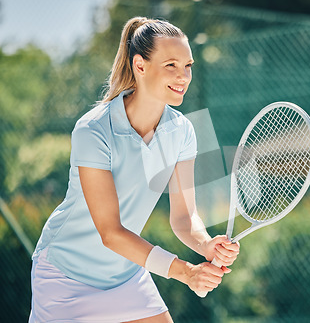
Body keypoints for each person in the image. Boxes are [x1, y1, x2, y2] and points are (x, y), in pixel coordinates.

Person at [29, 16, 240, 323]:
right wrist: (185, 272)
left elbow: (184, 217)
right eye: (171, 65)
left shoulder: (182, 131)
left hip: (125, 274)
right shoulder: (93, 130)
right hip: (66, 277)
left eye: (188, 65)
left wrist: (205, 243)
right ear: (140, 66)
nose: (183, 76)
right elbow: (111, 233)